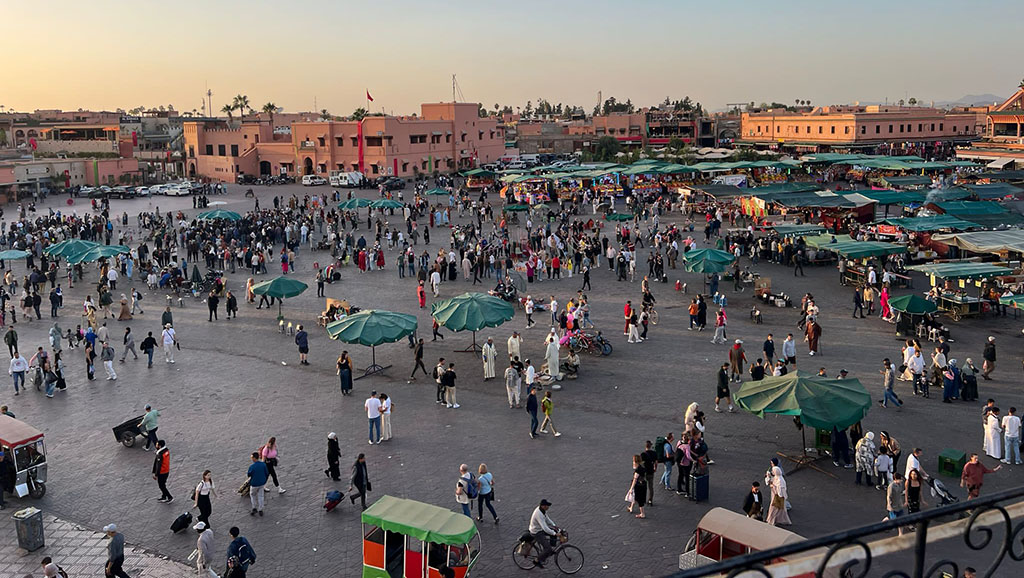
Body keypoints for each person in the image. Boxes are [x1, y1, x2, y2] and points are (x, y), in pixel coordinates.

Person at [529, 499, 559, 567]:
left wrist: (554, 525)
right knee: (547, 548)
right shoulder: (539, 514)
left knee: (553, 532)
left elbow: (547, 519)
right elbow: (545, 528)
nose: (548, 507)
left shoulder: (543, 511)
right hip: (536, 532)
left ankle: (550, 551)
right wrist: (554, 533)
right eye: (547, 506)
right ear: (543, 506)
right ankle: (536, 560)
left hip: (540, 529)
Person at [765, 459, 790, 525]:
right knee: (780, 509)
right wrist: (768, 476)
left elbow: (778, 489)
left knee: (774, 509)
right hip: (776, 496)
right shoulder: (778, 478)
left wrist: (771, 485)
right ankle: (777, 520)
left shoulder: (779, 481)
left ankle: (771, 520)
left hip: (777, 497)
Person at [246, 452, 269, 516]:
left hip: (254, 484)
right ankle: (260, 509)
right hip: (262, 483)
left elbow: (249, 474)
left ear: (254, 458)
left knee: (252, 495)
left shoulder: (252, 467)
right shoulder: (263, 465)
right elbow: (267, 473)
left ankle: (254, 507)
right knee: (261, 496)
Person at [627, 454, 647, 518]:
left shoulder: (637, 470)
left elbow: (635, 480)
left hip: (639, 487)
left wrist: (631, 488)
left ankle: (642, 514)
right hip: (643, 485)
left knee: (639, 500)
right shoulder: (642, 467)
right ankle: (631, 507)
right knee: (635, 497)